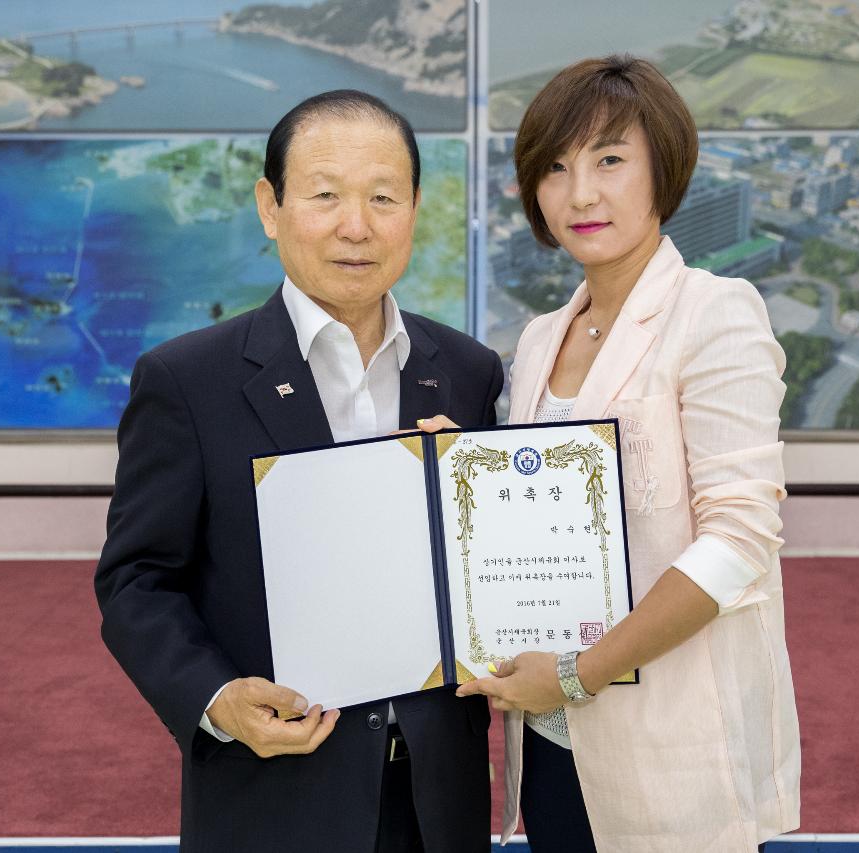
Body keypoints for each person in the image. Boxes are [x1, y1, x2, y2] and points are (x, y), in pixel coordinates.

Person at [95, 90, 501, 853]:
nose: (357, 225)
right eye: (324, 195)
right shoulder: (188, 379)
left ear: (415, 208)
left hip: (436, 799)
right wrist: (215, 698)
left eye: (383, 196)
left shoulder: (468, 373)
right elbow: (136, 580)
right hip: (273, 795)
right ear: (270, 206)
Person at [455, 56, 800, 852]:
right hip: (547, 734)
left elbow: (739, 543)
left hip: (669, 733)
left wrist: (581, 670)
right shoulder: (541, 338)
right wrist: (455, 463)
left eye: (610, 160)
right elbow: (534, 511)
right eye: (555, 168)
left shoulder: (716, 312)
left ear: (663, 168)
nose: (581, 193)